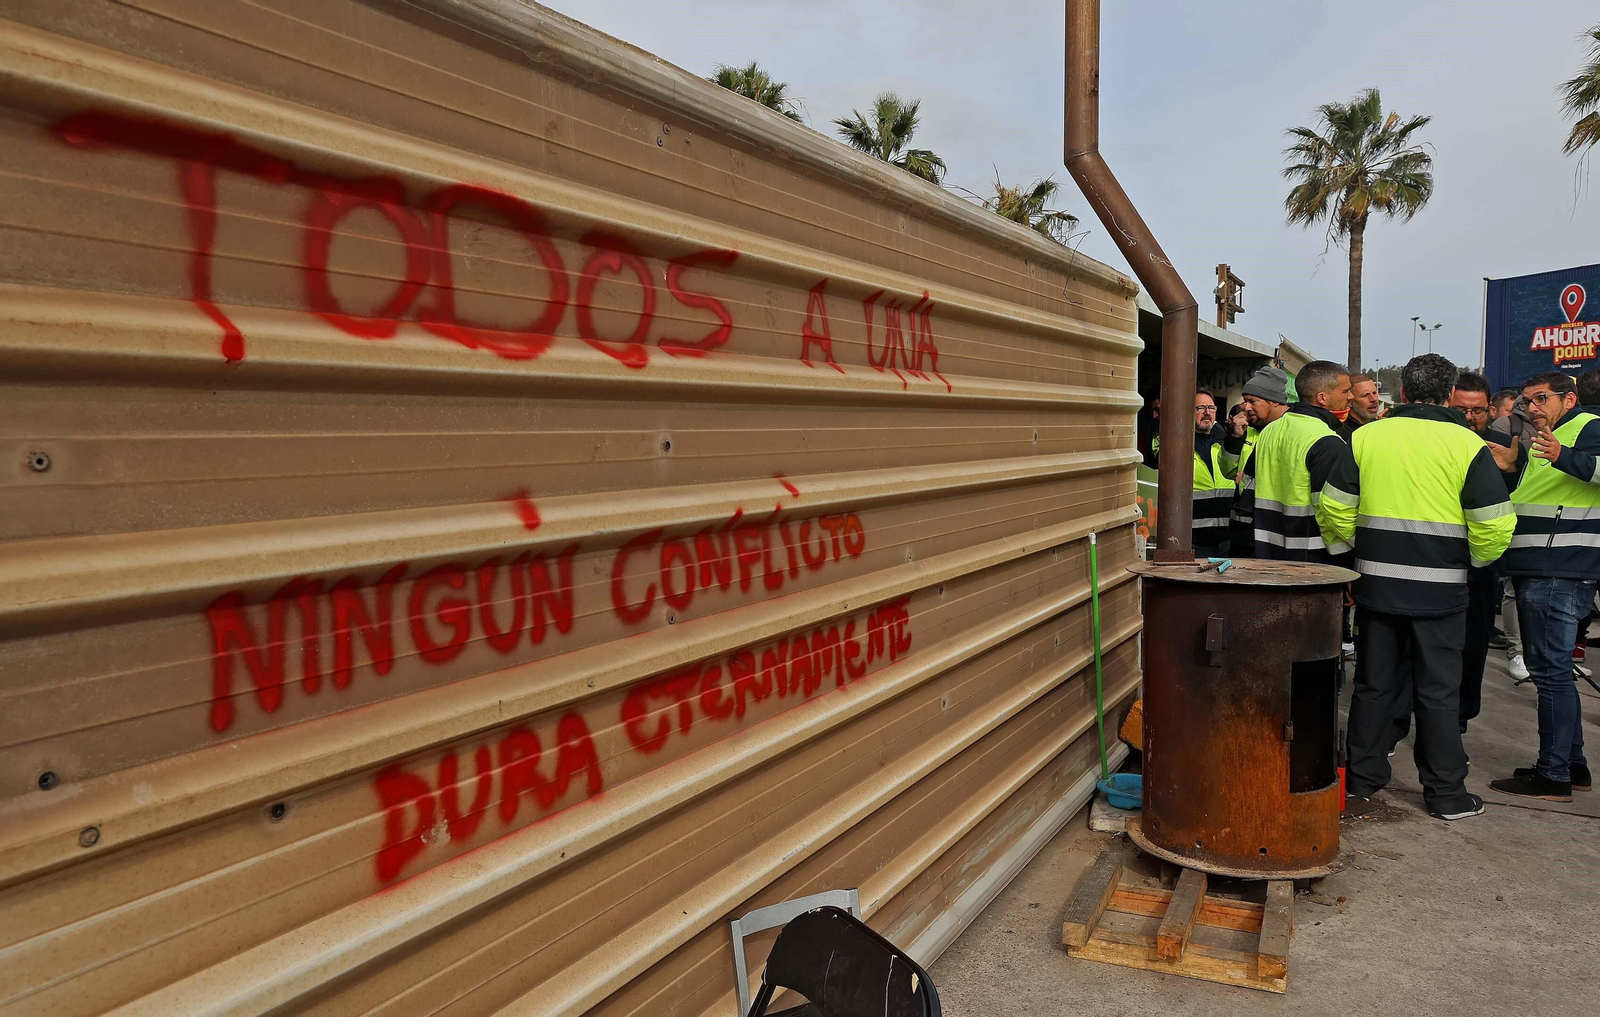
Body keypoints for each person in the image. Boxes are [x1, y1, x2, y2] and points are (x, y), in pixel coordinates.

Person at [1321, 354, 1516, 821]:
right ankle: (1445, 794)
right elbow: (1494, 524)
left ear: (1404, 392)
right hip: (1442, 591)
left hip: (1377, 585)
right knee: (1438, 690)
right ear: (1449, 396)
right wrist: (1470, 563)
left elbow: (1333, 506)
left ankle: (1361, 782)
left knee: (1373, 684)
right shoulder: (1467, 445)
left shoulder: (1365, 437)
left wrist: (1359, 553)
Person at [1488, 371, 1600, 802]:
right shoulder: (1549, 438)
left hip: (1558, 569)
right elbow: (1541, 496)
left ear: (1569, 399)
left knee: (1550, 673)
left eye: (1541, 399)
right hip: (1543, 566)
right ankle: (1572, 765)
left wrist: (1564, 456)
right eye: (1526, 401)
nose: (1532, 408)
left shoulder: (1586, 428)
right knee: (1554, 671)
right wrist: (1512, 469)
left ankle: (1552, 774)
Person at [1447, 372, 1511, 735]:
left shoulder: (1505, 446)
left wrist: (1513, 467)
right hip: (1438, 559)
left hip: (1483, 566)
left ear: (1490, 409)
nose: (1470, 418)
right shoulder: (1439, 442)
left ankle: (1459, 720)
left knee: (1473, 646)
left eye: (1478, 411)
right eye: (1462, 409)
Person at [1243, 360, 1355, 563]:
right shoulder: (1326, 441)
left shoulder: (1270, 431)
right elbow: (1333, 511)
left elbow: (1247, 485)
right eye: (1345, 391)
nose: (1351, 397)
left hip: (1268, 554)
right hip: (1311, 561)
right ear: (1322, 398)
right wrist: (1350, 553)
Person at [1223, 366, 1292, 558]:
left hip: (1274, 529)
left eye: (1253, 401)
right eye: (1245, 401)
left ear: (1274, 401)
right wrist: (1235, 438)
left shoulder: (1290, 430)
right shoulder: (1248, 430)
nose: (1246, 407)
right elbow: (1228, 471)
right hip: (1243, 532)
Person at [1190, 388, 1232, 558]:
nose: (1207, 413)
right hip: (1194, 540)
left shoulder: (1227, 444)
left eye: (1211, 408)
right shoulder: (1181, 445)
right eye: (1200, 408)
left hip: (1228, 539)